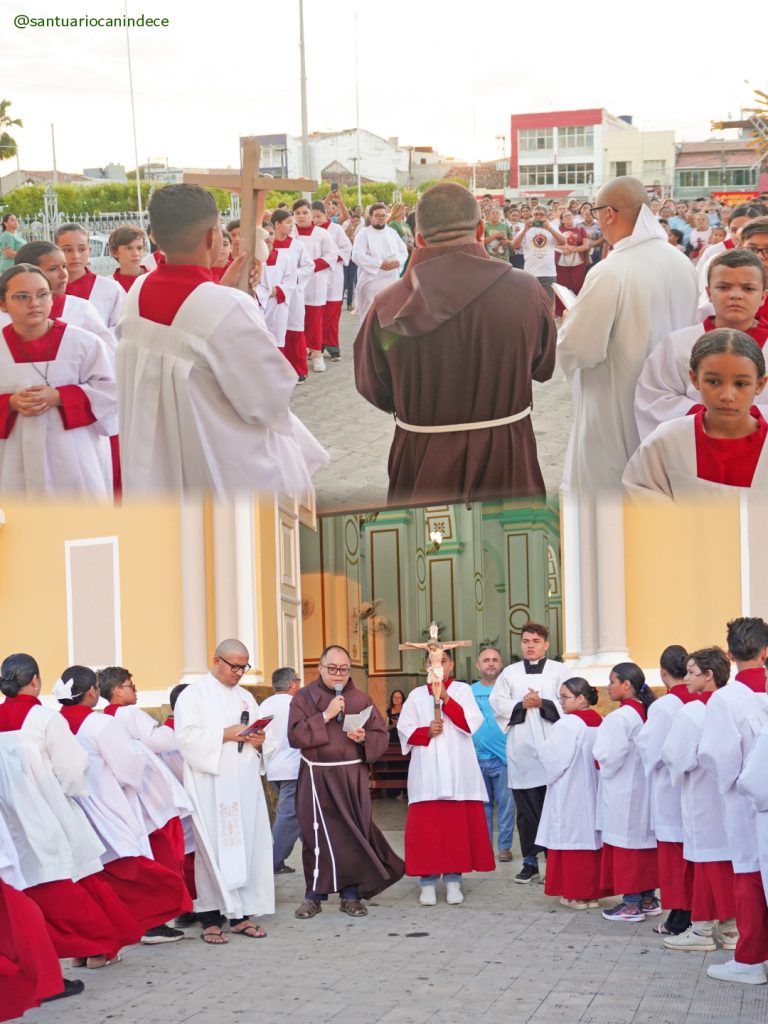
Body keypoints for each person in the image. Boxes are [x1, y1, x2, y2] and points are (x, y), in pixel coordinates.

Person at [116, 184, 328, 495]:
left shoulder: (137, 290)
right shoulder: (228, 307)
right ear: (213, 236)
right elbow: (269, 399)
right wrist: (230, 300)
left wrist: (224, 292)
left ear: (155, 237)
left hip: (156, 469)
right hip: (217, 472)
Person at [354, 182, 557, 505]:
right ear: (480, 229)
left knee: (427, 551)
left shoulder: (387, 303)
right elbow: (542, 364)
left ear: (418, 238)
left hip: (424, 458)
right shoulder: (527, 290)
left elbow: (372, 385)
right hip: (506, 453)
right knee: (510, 550)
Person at [557, 176, 699, 494]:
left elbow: (580, 349)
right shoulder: (681, 261)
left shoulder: (612, 270)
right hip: (668, 401)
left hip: (616, 401)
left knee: (608, 488)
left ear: (609, 213)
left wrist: (569, 321)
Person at [0, 653, 142, 966]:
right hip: (48, 808)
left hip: (8, 818)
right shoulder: (46, 719)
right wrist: (70, 794)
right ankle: (96, 948)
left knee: (34, 884)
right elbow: (73, 766)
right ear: (35, 681)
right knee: (76, 876)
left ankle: (73, 951)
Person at [56, 665, 194, 942]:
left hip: (75, 806)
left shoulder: (56, 723)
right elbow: (129, 769)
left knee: (99, 870)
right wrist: (140, 755)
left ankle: (103, 937)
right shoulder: (100, 724)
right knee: (137, 865)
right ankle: (150, 924)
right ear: (93, 692)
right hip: (111, 802)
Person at [287, 645, 404, 919]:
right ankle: (313, 895)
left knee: (353, 835)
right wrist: (325, 715)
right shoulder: (303, 698)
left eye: (343, 669)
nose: (338, 675)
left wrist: (364, 738)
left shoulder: (361, 698)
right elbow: (295, 736)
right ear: (320, 667)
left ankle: (351, 896)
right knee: (315, 836)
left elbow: (380, 735)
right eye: (332, 669)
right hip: (317, 777)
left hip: (351, 777)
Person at [174, 640, 275, 945]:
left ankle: (240, 914)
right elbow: (186, 738)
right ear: (215, 660)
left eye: (244, 666)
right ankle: (210, 917)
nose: (239, 672)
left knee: (244, 844)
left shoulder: (246, 697)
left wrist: (259, 741)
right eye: (234, 666)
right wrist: (224, 734)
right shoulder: (194, 695)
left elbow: (264, 741)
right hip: (210, 783)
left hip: (243, 783)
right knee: (212, 848)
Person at [0, 264, 116, 497]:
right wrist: (10, 403)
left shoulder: (84, 343)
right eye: (22, 296)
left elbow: (112, 393)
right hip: (12, 457)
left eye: (43, 294)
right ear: (3, 303)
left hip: (75, 456)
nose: (34, 303)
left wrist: (61, 396)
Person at [97, 665, 193, 943]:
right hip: (153, 798)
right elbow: (161, 740)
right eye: (130, 685)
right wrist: (181, 727)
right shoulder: (129, 713)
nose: (135, 689)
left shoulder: (107, 717)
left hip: (132, 800)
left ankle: (157, 918)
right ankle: (159, 920)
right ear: (117, 691)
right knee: (169, 858)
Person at [698, 618, 768, 984]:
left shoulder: (726, 699)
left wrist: (733, 782)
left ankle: (751, 959)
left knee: (749, 875)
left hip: (747, 799)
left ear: (729, 654)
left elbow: (715, 755)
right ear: (765, 652)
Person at [635, 250, 768, 442]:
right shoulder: (678, 343)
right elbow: (654, 398)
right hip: (694, 449)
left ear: (763, 297)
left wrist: (746, 418)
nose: (735, 295)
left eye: (748, 288)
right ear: (709, 293)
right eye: (724, 287)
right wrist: (707, 417)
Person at [398, 649, 494, 905]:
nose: (437, 666)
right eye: (432, 662)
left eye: (442, 661)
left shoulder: (463, 691)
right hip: (427, 769)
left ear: (450, 664)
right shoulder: (416, 695)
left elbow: (471, 724)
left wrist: (447, 699)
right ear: (425, 666)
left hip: (458, 767)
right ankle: (427, 883)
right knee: (426, 831)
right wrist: (425, 731)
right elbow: (404, 729)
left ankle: (453, 881)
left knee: (455, 830)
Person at [624, 330, 768, 500]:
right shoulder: (665, 443)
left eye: (741, 384)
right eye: (713, 382)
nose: (727, 396)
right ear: (694, 379)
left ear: (760, 384)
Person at [660, 648, 738, 954]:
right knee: (728, 861)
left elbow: (674, 754)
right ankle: (731, 928)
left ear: (709, 676)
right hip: (728, 796)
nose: (687, 678)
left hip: (700, 796)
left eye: (692, 672)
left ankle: (704, 928)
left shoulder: (691, 711)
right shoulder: (735, 704)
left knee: (705, 861)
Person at [490, 623, 567, 882]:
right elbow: (497, 703)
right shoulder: (509, 673)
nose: (530, 645)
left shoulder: (560, 671)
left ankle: (554, 862)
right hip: (521, 751)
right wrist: (521, 703)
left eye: (535, 640)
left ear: (546, 644)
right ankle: (530, 862)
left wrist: (543, 702)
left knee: (552, 808)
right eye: (525, 641)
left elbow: (572, 701)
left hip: (551, 750)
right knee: (526, 811)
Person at [636, 644, 694, 938]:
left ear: (662, 672)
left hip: (670, 789)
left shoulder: (665, 706)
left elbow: (651, 749)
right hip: (697, 789)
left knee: (675, 858)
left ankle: (678, 919)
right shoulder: (700, 699)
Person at [595, 663, 660, 922]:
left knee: (626, 845)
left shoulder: (620, 717)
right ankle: (648, 897)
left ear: (626, 685)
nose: (608, 687)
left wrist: (597, 759)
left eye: (612, 681)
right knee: (643, 843)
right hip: (644, 786)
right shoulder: (647, 712)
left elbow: (609, 756)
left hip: (623, 788)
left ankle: (631, 904)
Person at [536, 677, 603, 910]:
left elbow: (552, 757)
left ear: (581, 699)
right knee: (591, 840)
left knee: (571, 838)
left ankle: (575, 894)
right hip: (595, 790)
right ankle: (592, 895)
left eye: (565, 697)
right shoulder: (600, 721)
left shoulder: (568, 724)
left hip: (571, 791)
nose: (561, 702)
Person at [9, 241, 115, 357]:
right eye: (53, 269)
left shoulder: (81, 308)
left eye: (64, 266)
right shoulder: (7, 313)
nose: (64, 274)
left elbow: (108, 352)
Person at [470, 646, 515, 862]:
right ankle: (485, 847)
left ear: (501, 665)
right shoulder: (468, 691)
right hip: (476, 758)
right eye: (486, 660)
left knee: (507, 806)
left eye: (495, 660)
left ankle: (504, 847)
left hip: (504, 758)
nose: (491, 663)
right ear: (478, 665)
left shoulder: (509, 691)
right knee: (483, 807)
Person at [258, 667, 302, 874]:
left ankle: (318, 854)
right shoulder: (297, 703)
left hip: (272, 767)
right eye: (298, 681)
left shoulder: (264, 704)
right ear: (292, 683)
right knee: (289, 815)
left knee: (300, 815)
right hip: (293, 767)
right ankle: (271, 861)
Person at [291, 198, 337, 373]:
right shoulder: (291, 233)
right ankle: (300, 353)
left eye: (305, 212)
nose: (301, 216)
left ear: (311, 214)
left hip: (315, 281)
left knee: (314, 319)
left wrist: (310, 267)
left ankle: (316, 353)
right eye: (297, 213)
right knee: (296, 319)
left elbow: (332, 255)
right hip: (295, 282)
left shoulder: (322, 234)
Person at [56, 223, 125, 328]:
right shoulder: (47, 291)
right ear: (56, 252)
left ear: (89, 251)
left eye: (82, 249)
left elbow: (121, 331)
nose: (76, 256)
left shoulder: (111, 289)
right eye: (67, 250)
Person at [351, 203, 408, 323]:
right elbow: (357, 256)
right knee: (369, 319)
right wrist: (379, 264)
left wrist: (399, 262)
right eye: (377, 216)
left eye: (383, 216)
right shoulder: (363, 234)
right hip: (371, 282)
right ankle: (366, 342)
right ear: (370, 217)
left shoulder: (392, 232)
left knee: (389, 318)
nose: (380, 218)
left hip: (392, 280)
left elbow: (403, 251)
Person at [311, 200, 352, 362]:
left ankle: (333, 345)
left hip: (333, 273)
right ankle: (317, 345)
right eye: (313, 217)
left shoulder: (336, 229)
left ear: (326, 213)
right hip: (315, 275)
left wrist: (329, 260)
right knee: (316, 312)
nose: (316, 220)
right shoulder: (309, 231)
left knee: (332, 312)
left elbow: (346, 248)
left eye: (319, 216)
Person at [511, 205, 566, 307]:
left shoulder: (552, 227)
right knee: (531, 306)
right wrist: (524, 231)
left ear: (546, 217)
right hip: (530, 273)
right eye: (536, 214)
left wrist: (549, 228)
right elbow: (515, 246)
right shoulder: (525, 228)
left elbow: (563, 241)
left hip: (548, 273)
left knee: (548, 306)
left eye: (541, 215)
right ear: (532, 215)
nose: (538, 217)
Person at [108, 225, 148, 292]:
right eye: (128, 248)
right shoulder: (109, 285)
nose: (136, 253)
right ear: (114, 252)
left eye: (139, 248)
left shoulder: (154, 280)